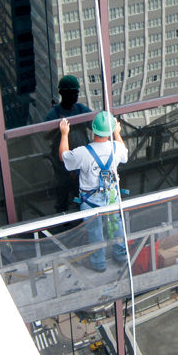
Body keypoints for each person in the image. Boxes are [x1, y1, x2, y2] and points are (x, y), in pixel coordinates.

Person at [59, 111, 128, 272]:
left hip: (90, 201)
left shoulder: (83, 153)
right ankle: (121, 255)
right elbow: (124, 156)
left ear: (93, 129)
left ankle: (98, 264)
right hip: (111, 196)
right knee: (116, 225)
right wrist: (117, 133)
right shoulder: (116, 147)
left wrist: (64, 134)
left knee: (95, 231)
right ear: (110, 131)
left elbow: (64, 157)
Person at [45, 75, 91, 213]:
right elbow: (45, 135)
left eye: (75, 93)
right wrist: (56, 126)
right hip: (63, 165)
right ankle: (63, 220)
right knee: (63, 193)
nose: (73, 96)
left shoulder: (80, 109)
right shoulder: (54, 113)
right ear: (62, 93)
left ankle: (82, 214)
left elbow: (94, 124)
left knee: (82, 193)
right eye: (70, 93)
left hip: (81, 162)